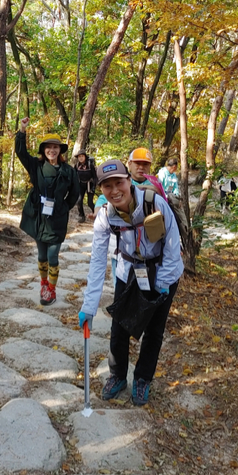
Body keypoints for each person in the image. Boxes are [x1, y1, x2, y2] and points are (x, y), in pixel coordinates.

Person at [79, 160, 183, 406]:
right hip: (128, 272)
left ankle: (143, 378)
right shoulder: (105, 215)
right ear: (100, 188)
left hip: (161, 271)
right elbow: (97, 261)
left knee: (154, 330)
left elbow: (172, 244)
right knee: (120, 326)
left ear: (128, 180)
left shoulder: (154, 203)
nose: (114, 190)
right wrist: (89, 306)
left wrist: (164, 283)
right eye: (107, 186)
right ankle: (117, 376)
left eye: (119, 183)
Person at [15, 118, 80, 305]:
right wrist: (22, 130)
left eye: (55, 147)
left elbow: (75, 193)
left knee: (52, 256)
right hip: (38, 218)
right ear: (44, 150)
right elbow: (20, 152)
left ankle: (51, 289)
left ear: (60, 150)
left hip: (57, 220)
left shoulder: (69, 171)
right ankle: (43, 284)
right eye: (48, 147)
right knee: (41, 256)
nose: (52, 150)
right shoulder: (36, 166)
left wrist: (63, 207)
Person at [74, 150, 97, 223]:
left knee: (90, 203)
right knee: (79, 201)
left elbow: (95, 177)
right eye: (79, 156)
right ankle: (82, 216)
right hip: (81, 185)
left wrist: (94, 186)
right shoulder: (77, 165)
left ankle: (96, 215)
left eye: (82, 156)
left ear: (85, 157)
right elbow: (73, 175)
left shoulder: (90, 165)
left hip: (90, 185)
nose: (80, 158)